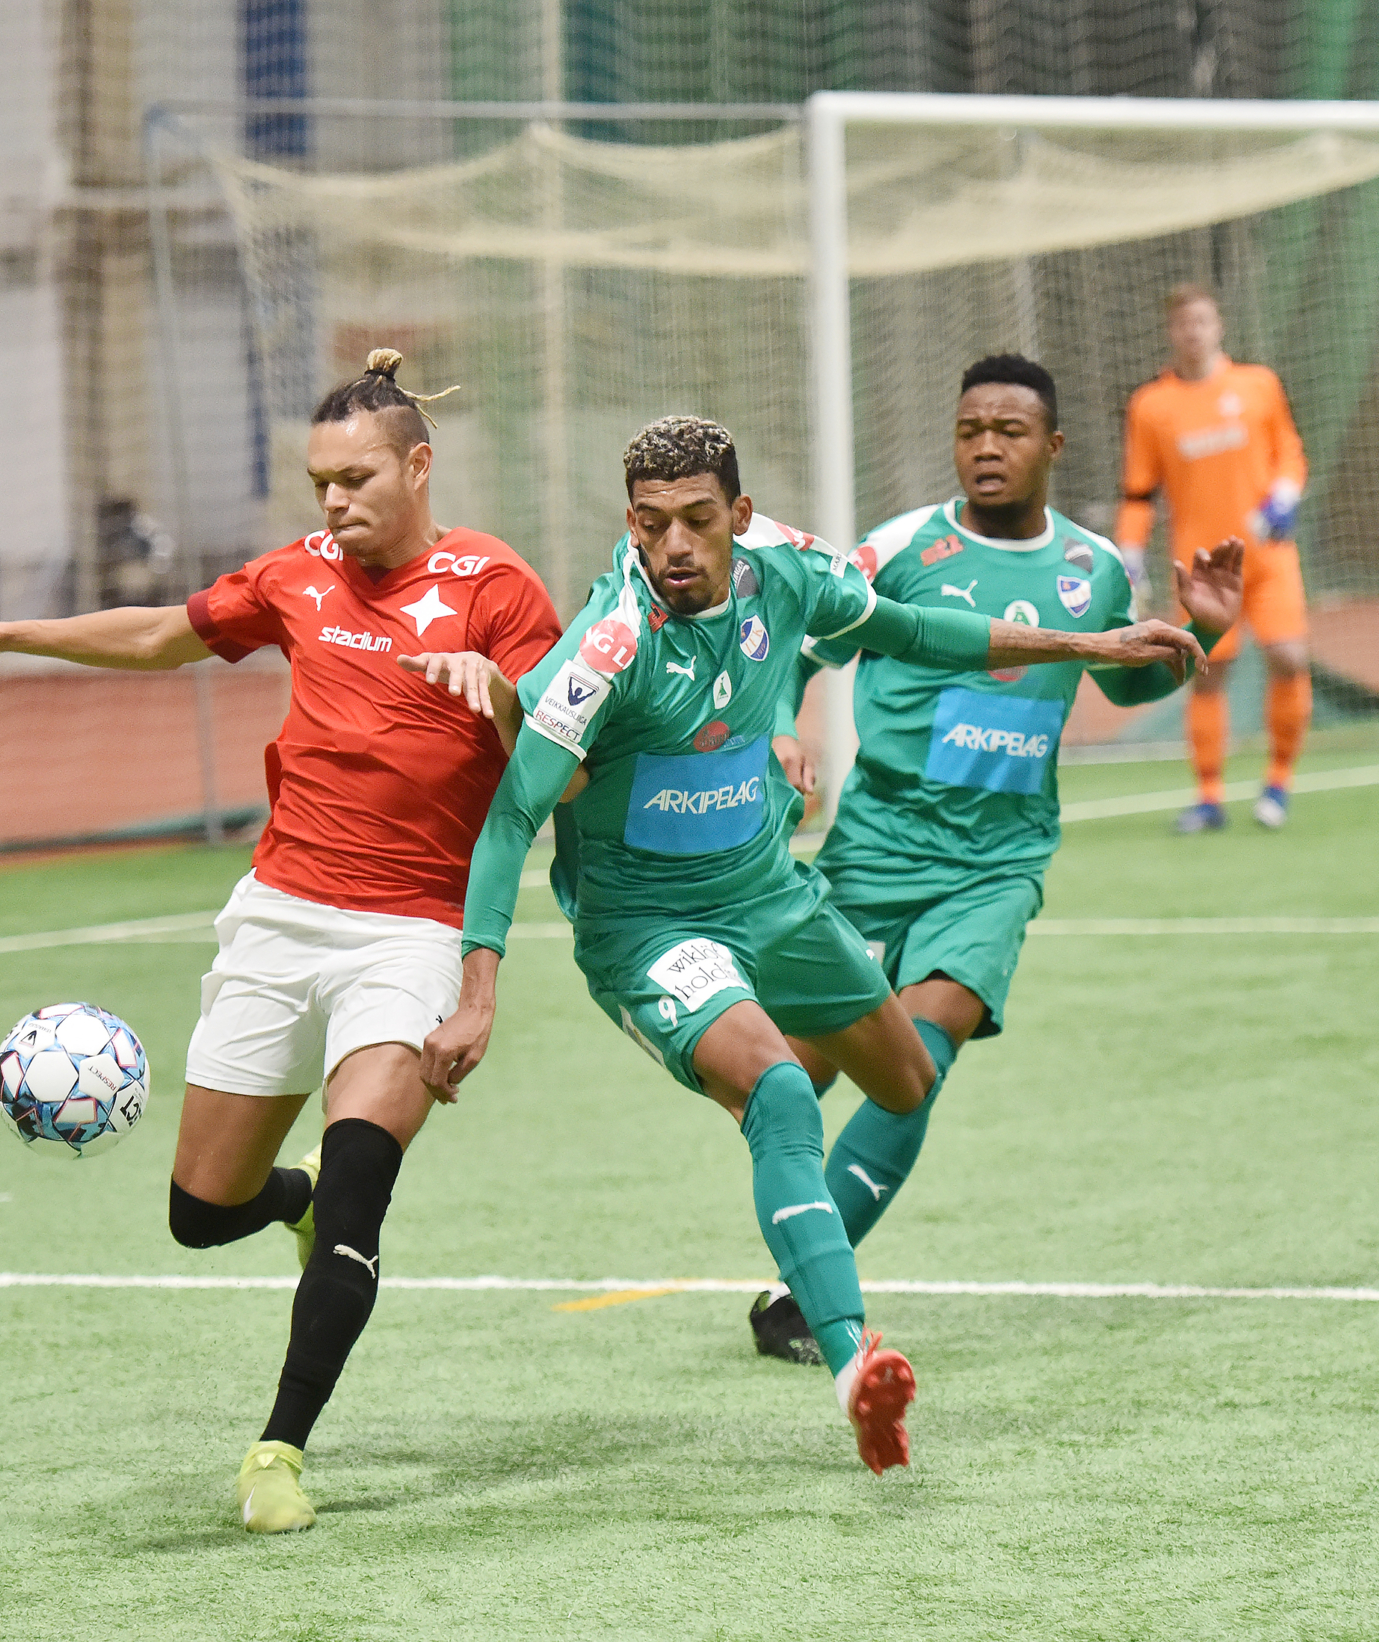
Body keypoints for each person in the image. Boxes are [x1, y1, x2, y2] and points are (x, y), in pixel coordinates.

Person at [413, 416, 1207, 1474]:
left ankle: (800, 1219)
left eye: (698, 520)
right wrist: (478, 993)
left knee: (908, 1081)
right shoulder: (608, 645)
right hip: (649, 928)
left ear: (739, 516)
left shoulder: (784, 570)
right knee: (783, 1093)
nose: (674, 546)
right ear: (631, 525)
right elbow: (513, 815)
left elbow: (915, 630)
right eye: (651, 525)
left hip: (773, 899)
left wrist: (1092, 645)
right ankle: (850, 1363)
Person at [0, 349, 564, 1533]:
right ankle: (289, 1196)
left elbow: (569, 763)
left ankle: (279, 1451)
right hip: (278, 918)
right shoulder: (295, 574)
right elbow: (162, 633)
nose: (334, 503)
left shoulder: (495, 587)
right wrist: (3, 632)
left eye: (356, 478)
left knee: (361, 1190)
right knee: (202, 1212)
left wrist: (500, 693)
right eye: (320, 483)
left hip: (411, 933)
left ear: (418, 466)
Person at [739, 354, 1243, 1365]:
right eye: (971, 429)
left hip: (996, 864)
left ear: (1052, 446)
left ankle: (798, 1299)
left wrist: (1202, 631)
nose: (986, 447)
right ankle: (798, 1233)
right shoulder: (900, 549)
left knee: (918, 1065)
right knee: (794, 1075)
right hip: (875, 851)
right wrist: (782, 731)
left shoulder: (1094, 568)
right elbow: (800, 647)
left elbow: (1127, 683)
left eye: (1009, 431)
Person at [1115, 282, 1311, 833]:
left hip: (1267, 558)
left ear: (1218, 325)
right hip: (1201, 570)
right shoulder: (1151, 406)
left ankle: (1278, 783)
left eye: (1202, 321)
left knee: (1289, 658)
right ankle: (1209, 798)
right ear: (1171, 332)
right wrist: (1130, 551)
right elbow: (1138, 492)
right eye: (1183, 324)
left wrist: (1285, 496)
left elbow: (1289, 454)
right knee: (1207, 673)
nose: (1193, 332)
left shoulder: (1258, 385)